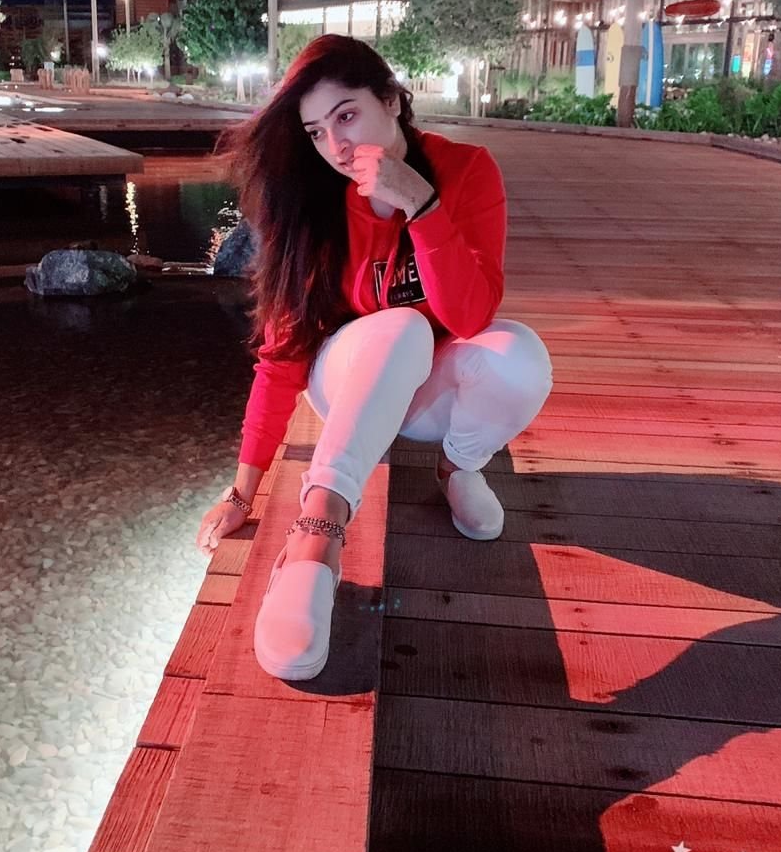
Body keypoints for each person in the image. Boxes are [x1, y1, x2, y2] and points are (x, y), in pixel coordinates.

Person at [195, 35, 553, 681]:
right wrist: (242, 490)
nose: (335, 145)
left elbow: (471, 317)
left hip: (426, 386)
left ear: (391, 100)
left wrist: (422, 206)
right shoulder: (311, 201)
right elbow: (281, 357)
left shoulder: (466, 170)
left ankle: (458, 468)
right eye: (315, 131)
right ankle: (315, 534)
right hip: (347, 377)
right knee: (402, 330)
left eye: (347, 115)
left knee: (521, 358)